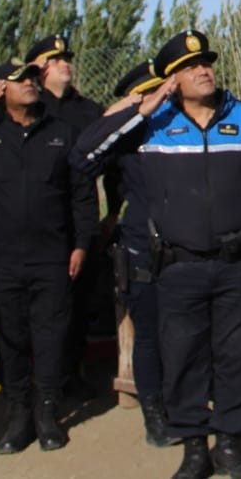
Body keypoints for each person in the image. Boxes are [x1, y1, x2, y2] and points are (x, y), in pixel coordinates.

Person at [72, 31, 241, 479]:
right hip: (177, 266)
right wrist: (139, 109)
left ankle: (229, 445)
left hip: (238, 263)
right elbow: (83, 157)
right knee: (183, 357)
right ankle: (194, 448)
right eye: (189, 67)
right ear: (169, 81)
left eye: (206, 62)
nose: (203, 70)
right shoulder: (150, 127)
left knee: (238, 355)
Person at [0, 58, 99, 455]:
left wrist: (81, 244)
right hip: (1, 259)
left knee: (50, 336)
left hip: (54, 257)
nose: (29, 83)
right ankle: (18, 415)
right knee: (9, 337)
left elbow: (82, 194)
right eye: (17, 80)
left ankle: (48, 413)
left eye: (32, 77)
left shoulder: (61, 132)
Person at [94, 59, 174, 448]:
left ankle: (183, 403)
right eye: (150, 92)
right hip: (143, 247)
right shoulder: (124, 136)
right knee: (149, 336)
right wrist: (128, 110)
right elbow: (86, 155)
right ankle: (154, 414)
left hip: (183, 248)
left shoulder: (178, 128)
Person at [25, 34, 105, 398]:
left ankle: (73, 372)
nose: (65, 64)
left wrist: (113, 211)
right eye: (56, 59)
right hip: (37, 222)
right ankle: (36, 381)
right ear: (39, 68)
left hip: (79, 218)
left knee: (78, 299)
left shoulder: (87, 111)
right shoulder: (28, 107)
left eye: (66, 58)